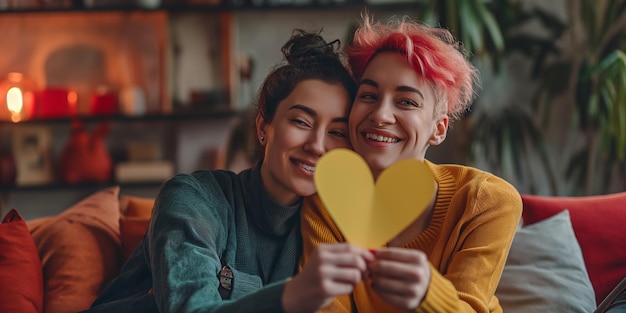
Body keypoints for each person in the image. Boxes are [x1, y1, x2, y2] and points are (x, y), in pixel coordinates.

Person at [85, 29, 373, 313]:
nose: (317, 146)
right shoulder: (193, 198)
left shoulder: (325, 227)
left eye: (337, 131)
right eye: (301, 121)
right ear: (263, 126)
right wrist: (291, 296)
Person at [300, 14, 523, 313]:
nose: (380, 114)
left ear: (438, 129)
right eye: (368, 95)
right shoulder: (327, 201)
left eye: (406, 101)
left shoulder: (486, 200)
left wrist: (429, 294)